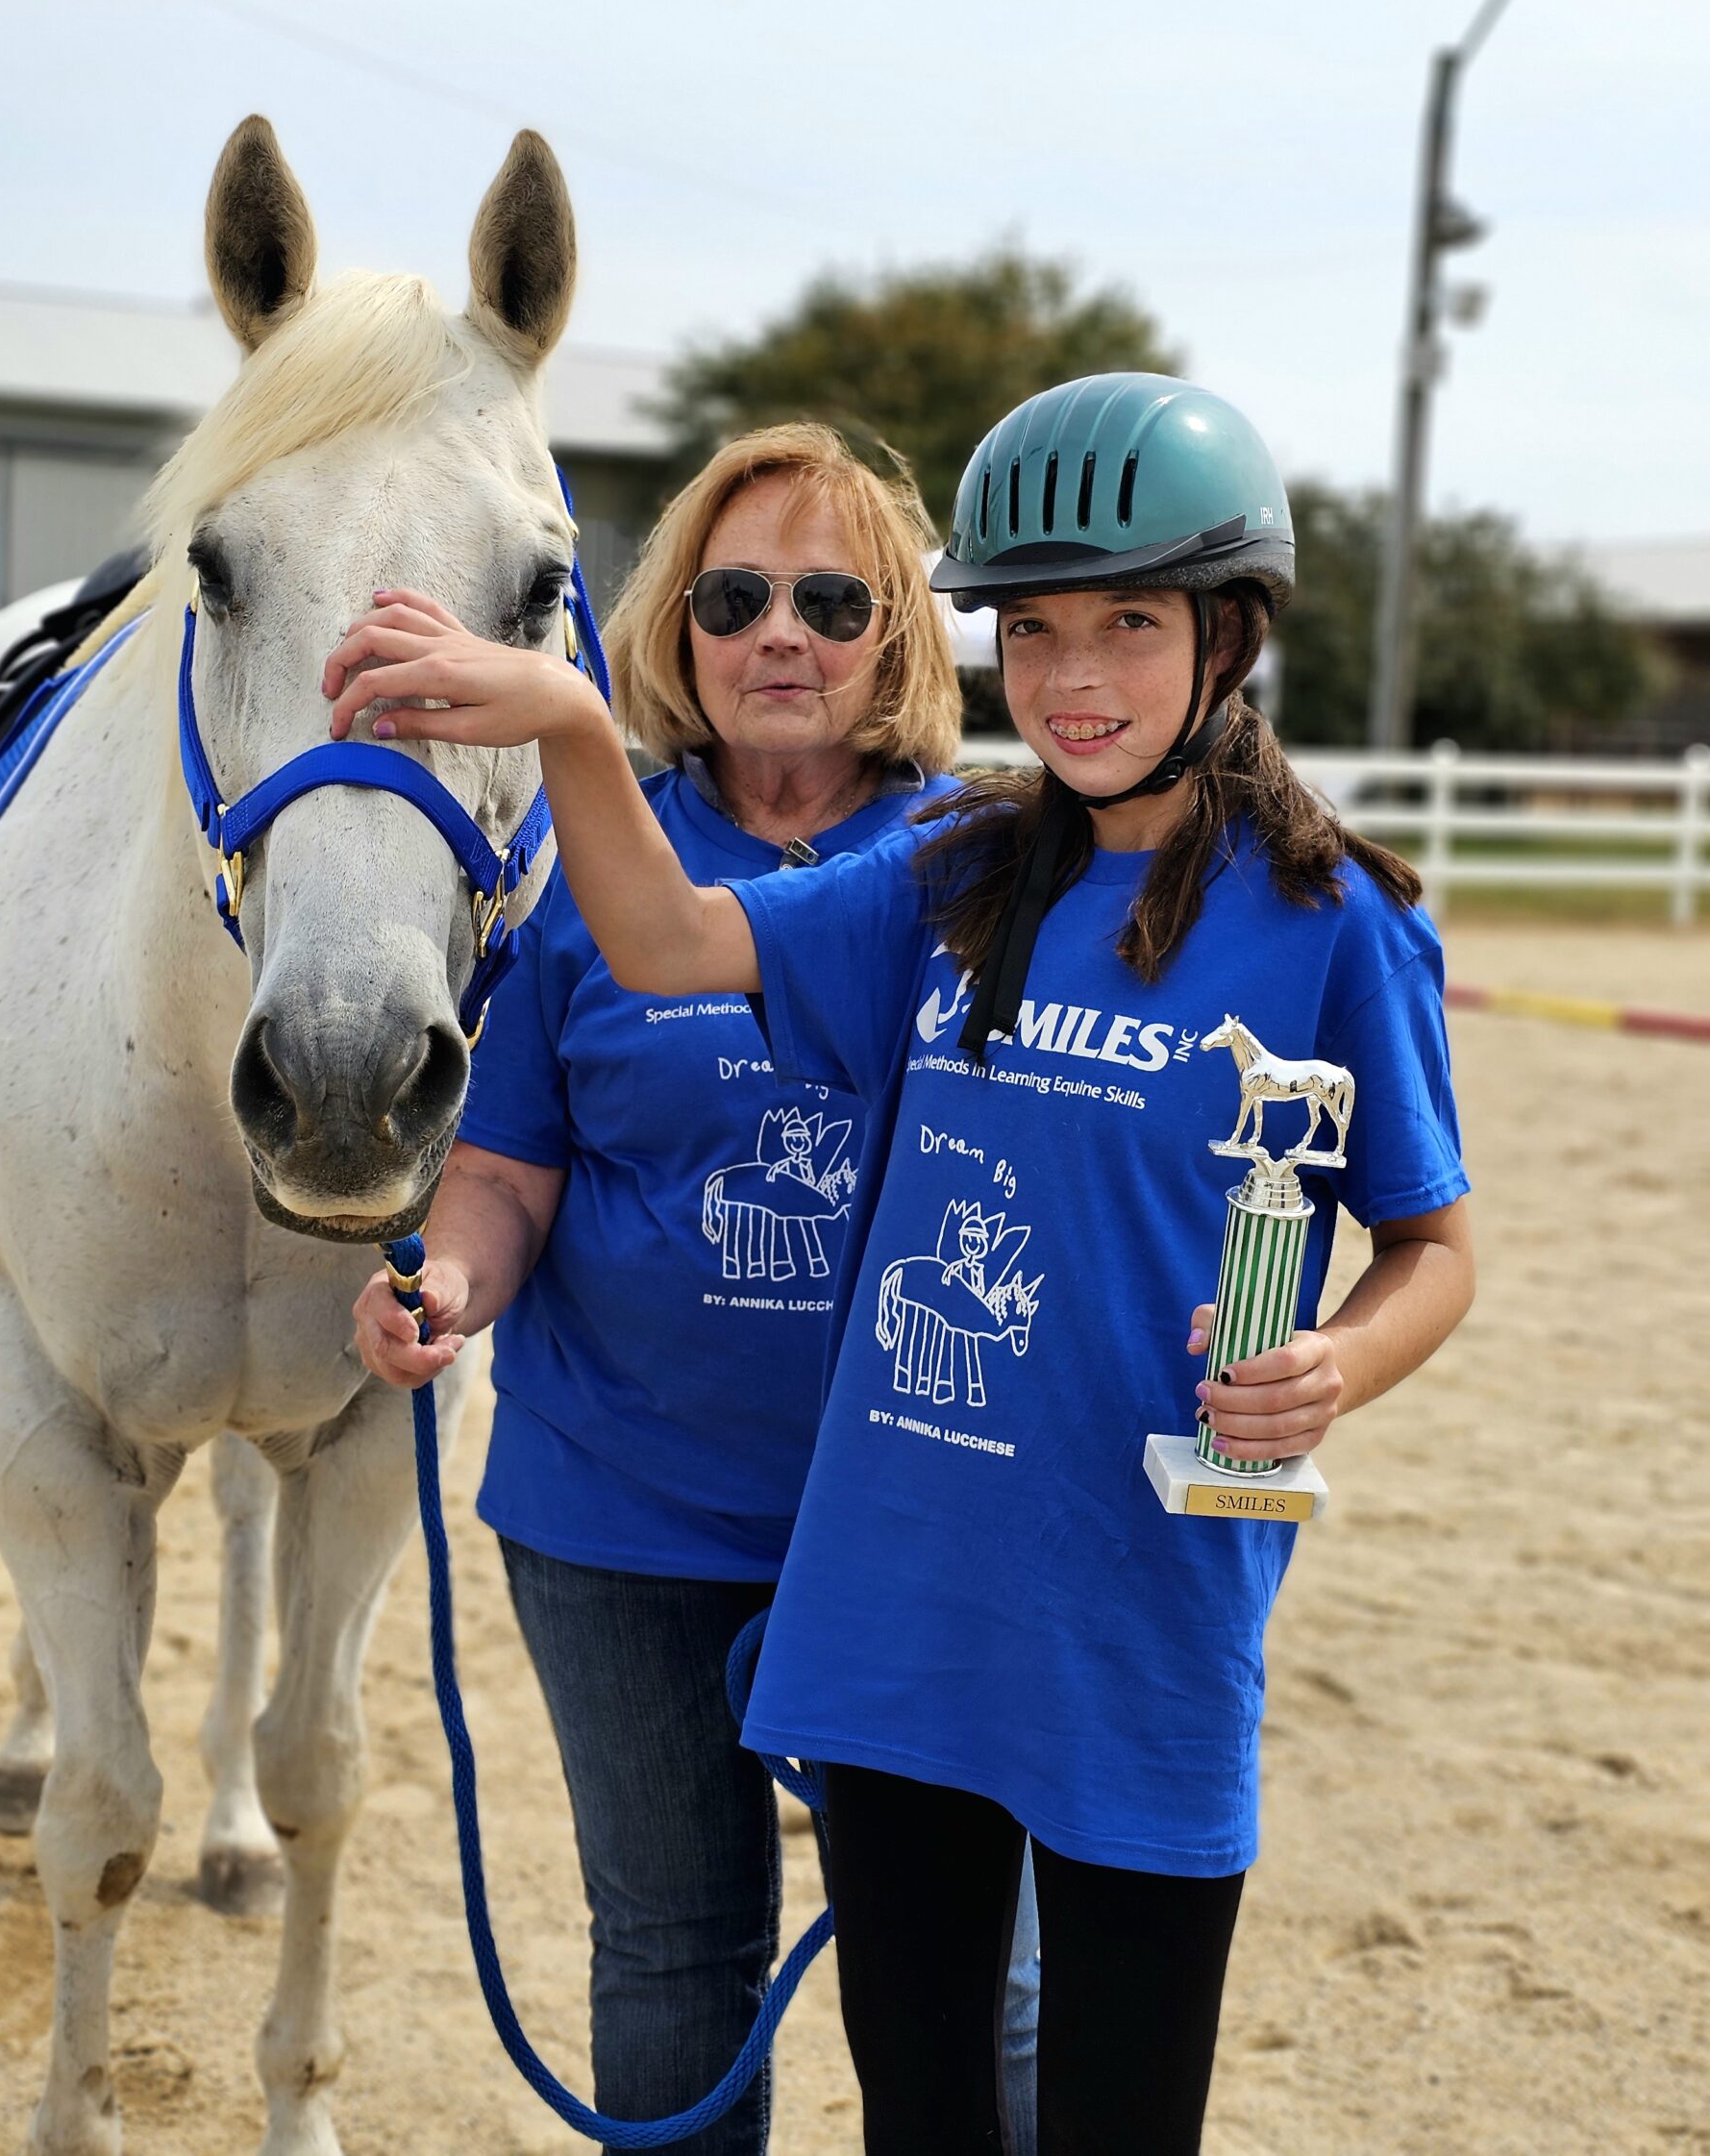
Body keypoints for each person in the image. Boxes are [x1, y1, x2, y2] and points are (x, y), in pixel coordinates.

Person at [323, 374, 1475, 2156]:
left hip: (1136, 1601)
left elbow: (1435, 1245)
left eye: (1129, 625)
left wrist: (1340, 1359)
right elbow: (664, 937)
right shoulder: (958, 873)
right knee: (915, 2103)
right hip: (895, 1591)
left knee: (1102, 2101)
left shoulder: (1341, 923)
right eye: (1039, 629)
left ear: (1228, 634)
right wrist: (567, 722)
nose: (1074, 676)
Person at [345, 425, 1039, 2154]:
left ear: (897, 635)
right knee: (669, 1952)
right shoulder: (586, 862)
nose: (779, 634)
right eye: (734, 599)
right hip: (618, 1515)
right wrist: (447, 1284)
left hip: (914, 1523)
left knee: (978, 1978)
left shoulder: (993, 866)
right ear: (678, 627)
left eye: (831, 600)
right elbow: (509, 1169)